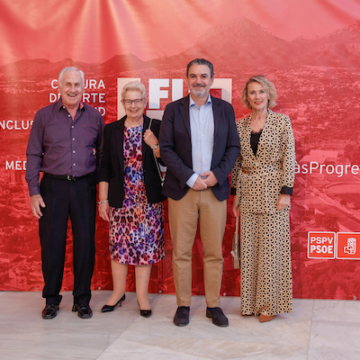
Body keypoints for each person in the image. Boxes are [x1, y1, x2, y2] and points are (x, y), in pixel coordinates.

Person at [159, 58, 240, 327]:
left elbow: (233, 148)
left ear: (212, 79)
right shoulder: (173, 110)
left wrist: (217, 174)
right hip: (183, 190)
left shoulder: (225, 110)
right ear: (187, 79)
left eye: (203, 76)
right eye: (193, 76)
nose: (198, 81)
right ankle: (183, 305)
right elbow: (166, 149)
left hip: (214, 189)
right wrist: (191, 177)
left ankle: (213, 305)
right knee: (181, 251)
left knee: (214, 252)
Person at [25, 66, 104, 319]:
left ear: (84, 87)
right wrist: (34, 191)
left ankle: (82, 299)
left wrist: (102, 193)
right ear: (59, 87)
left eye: (77, 85)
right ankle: (51, 299)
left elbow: (102, 158)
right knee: (52, 245)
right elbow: (33, 154)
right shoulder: (43, 116)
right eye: (68, 84)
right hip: (53, 188)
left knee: (85, 244)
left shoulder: (94, 117)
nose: (73, 89)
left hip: (84, 187)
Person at [98, 81, 165, 318]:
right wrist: (103, 200)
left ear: (145, 102)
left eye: (138, 100)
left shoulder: (155, 126)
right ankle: (117, 294)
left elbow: (167, 159)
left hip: (148, 201)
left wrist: (154, 144)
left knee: (144, 250)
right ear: (122, 102)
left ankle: (142, 297)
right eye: (129, 101)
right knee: (120, 248)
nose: (133, 105)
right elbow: (104, 166)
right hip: (121, 199)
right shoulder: (112, 129)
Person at [232, 75, 295, 322]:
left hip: (273, 192)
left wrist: (286, 192)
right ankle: (249, 303)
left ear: (268, 94)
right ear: (246, 97)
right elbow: (237, 162)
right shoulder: (240, 125)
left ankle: (269, 305)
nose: (257, 96)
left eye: (261, 91)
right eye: (252, 92)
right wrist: (235, 194)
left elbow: (288, 158)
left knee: (270, 250)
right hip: (247, 192)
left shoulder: (281, 122)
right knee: (249, 250)